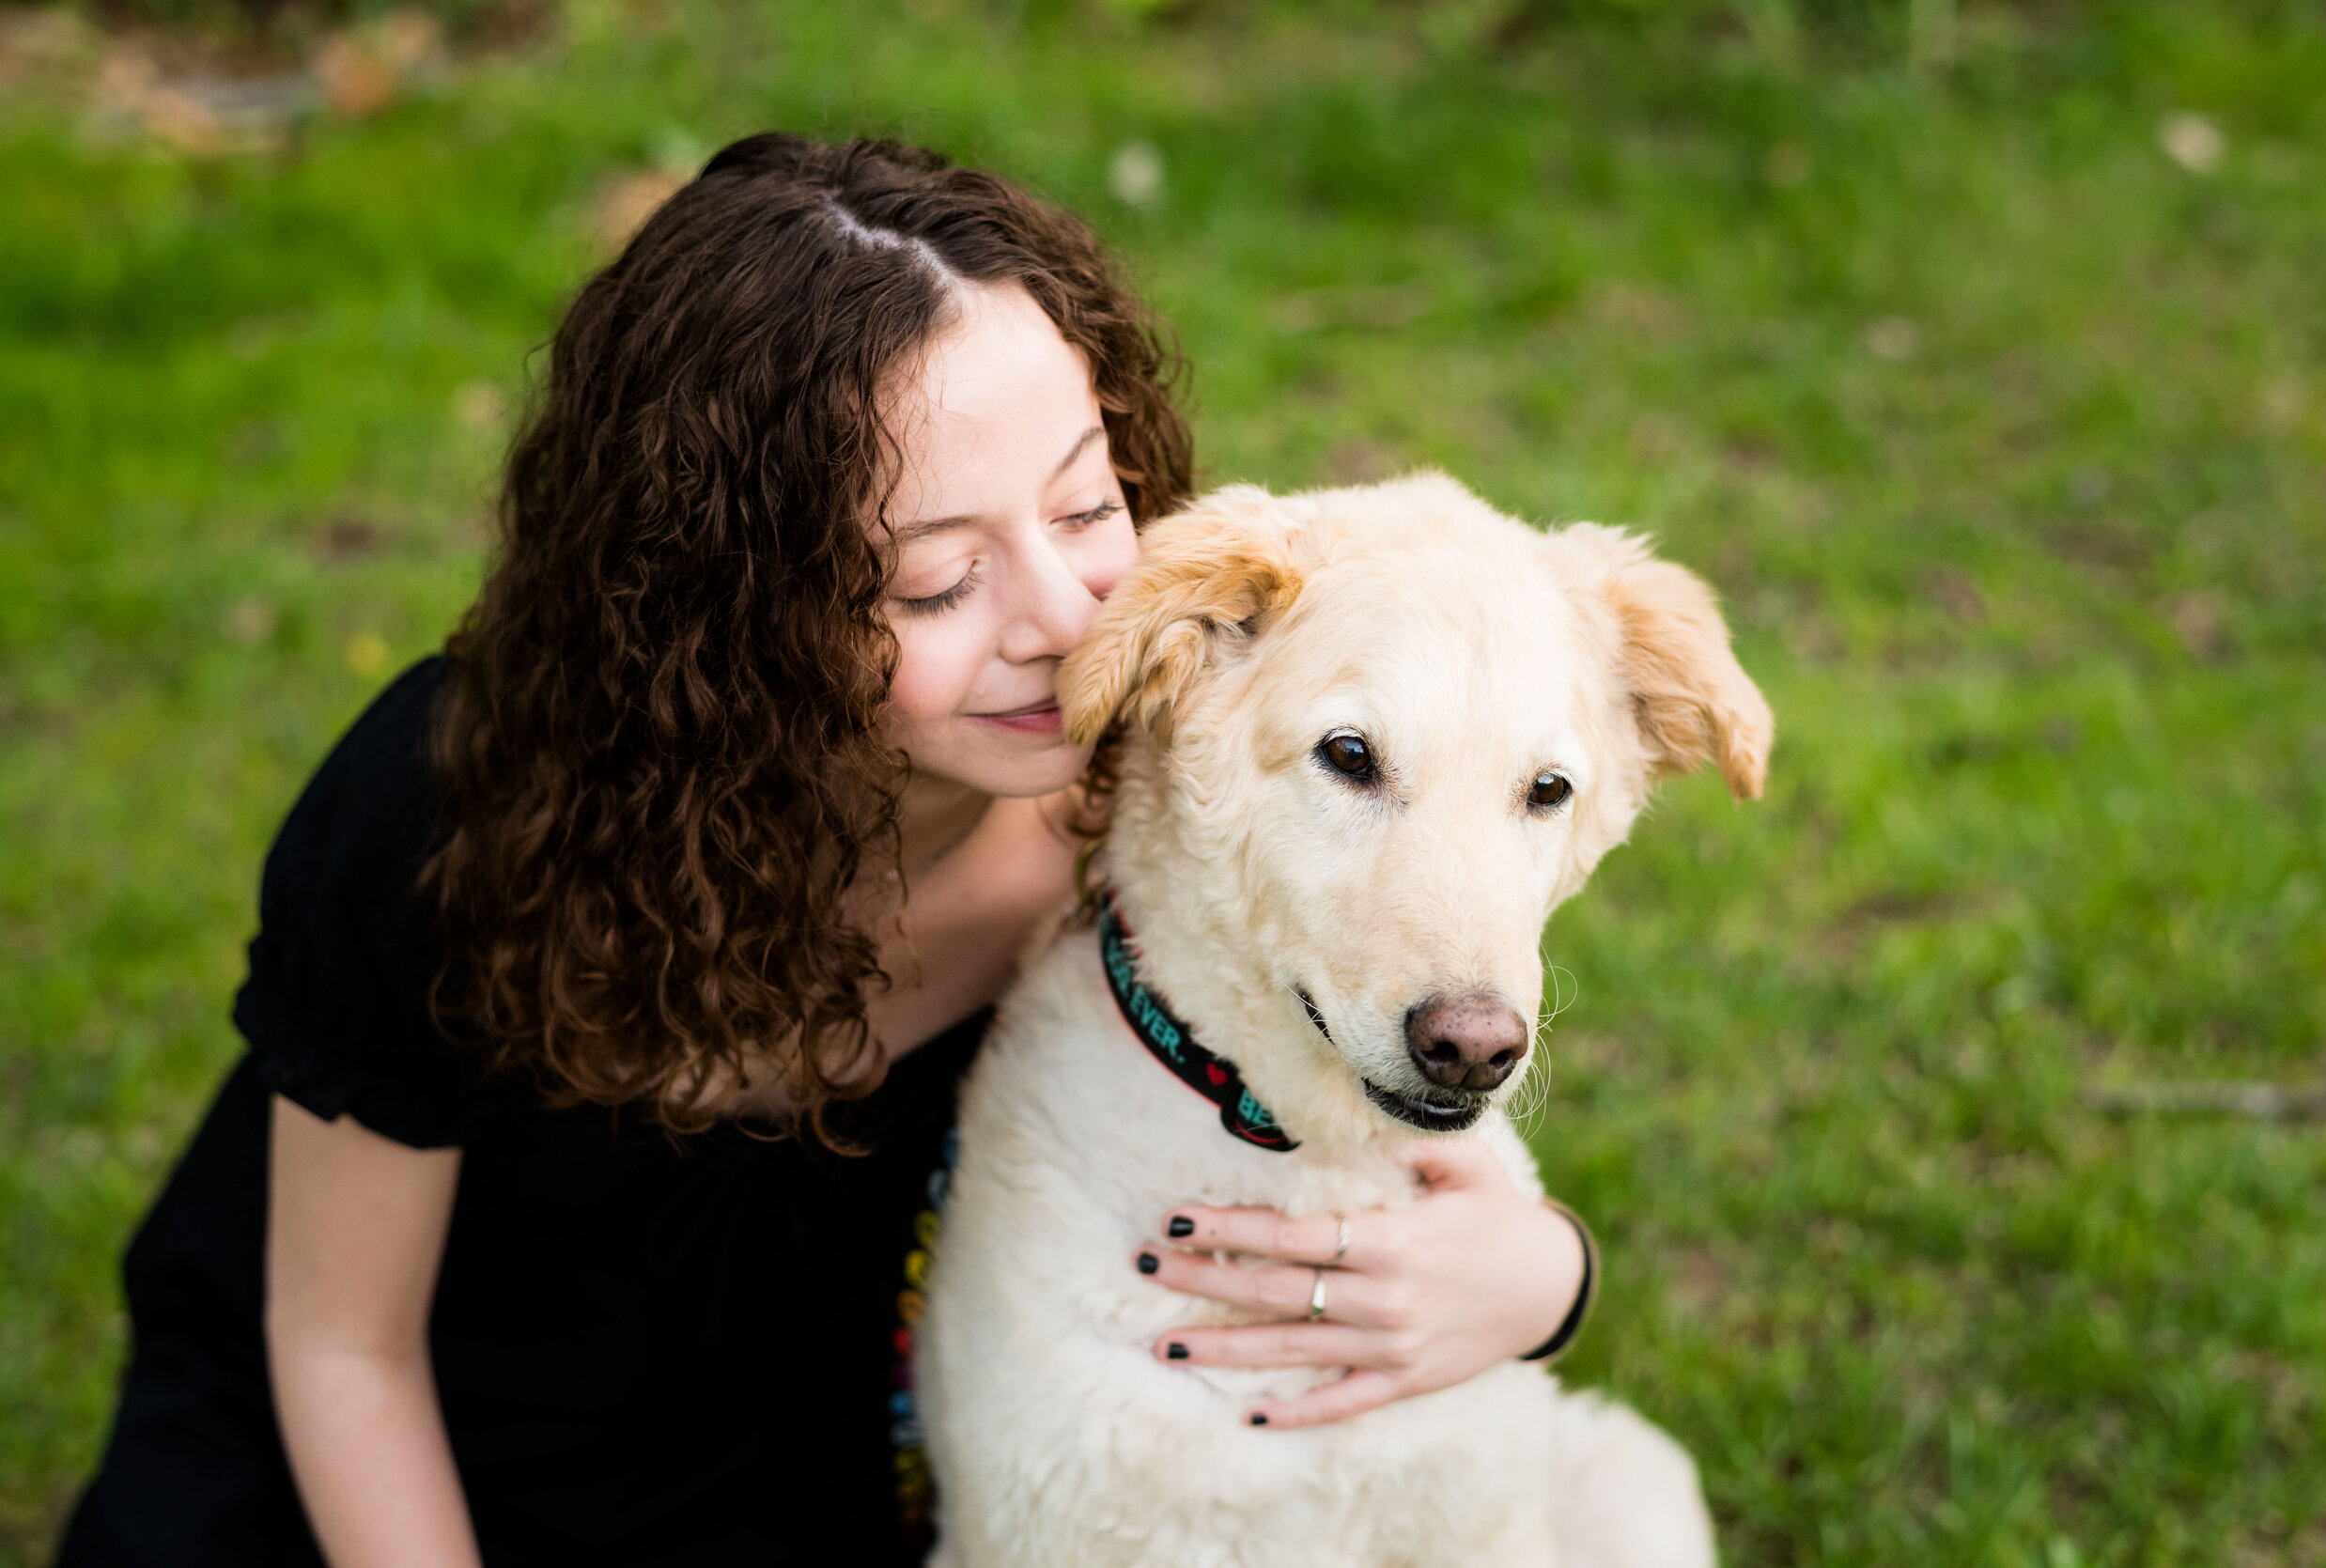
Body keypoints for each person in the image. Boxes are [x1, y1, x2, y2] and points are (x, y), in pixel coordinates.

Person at [58, 132, 1589, 1568]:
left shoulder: (1167, 777)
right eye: (937, 583)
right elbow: (344, 1346)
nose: (1063, 622)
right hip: (368, 1490)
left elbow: (1343, 1057)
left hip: (789, 1483)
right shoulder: (450, 817)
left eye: (1086, 500)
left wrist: (1546, 1276)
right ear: (735, 613)